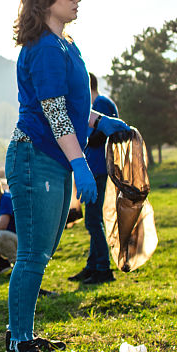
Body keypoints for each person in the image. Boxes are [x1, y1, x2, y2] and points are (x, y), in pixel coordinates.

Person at [5, 0, 129, 352]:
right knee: (32, 255)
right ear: (46, 0)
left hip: (53, 159)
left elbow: (71, 107)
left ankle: (21, 330)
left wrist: (97, 121)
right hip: (35, 157)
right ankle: (19, 346)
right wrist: (79, 161)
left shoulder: (66, 45)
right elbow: (53, 111)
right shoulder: (42, 48)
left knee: (42, 251)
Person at [68, 72, 118, 285]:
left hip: (100, 169)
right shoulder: (96, 103)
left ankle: (103, 269)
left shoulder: (101, 104)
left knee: (93, 221)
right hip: (93, 168)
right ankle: (92, 266)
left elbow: (100, 137)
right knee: (92, 220)